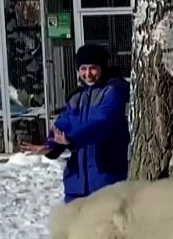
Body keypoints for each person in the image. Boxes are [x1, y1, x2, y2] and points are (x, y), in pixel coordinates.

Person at [21, 44, 130, 203]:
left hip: (106, 179)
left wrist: (72, 138)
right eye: (83, 69)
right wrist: (50, 145)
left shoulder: (114, 91)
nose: (88, 74)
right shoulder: (77, 96)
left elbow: (102, 121)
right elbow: (63, 123)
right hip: (76, 183)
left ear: (102, 67)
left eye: (93, 68)